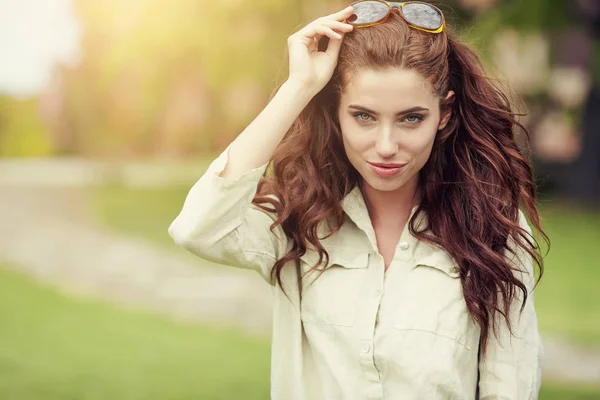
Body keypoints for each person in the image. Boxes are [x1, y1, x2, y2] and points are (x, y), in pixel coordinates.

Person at [169, 2, 549, 399]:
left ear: (445, 114)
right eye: (364, 116)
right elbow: (200, 229)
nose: (386, 147)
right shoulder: (299, 220)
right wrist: (299, 86)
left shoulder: (492, 230)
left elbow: (510, 386)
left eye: (411, 118)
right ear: (336, 113)